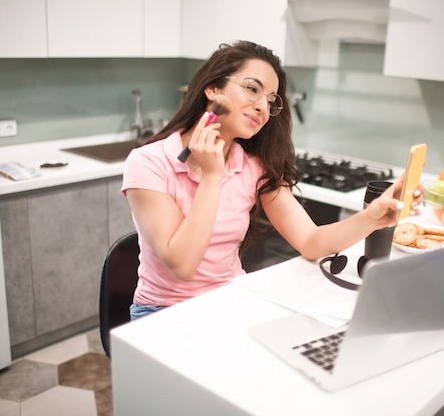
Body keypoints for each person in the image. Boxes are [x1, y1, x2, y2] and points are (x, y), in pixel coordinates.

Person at [122, 40, 422, 320]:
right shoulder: (148, 163)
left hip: (232, 301)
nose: (262, 107)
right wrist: (212, 177)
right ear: (213, 89)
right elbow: (183, 265)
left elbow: (311, 242)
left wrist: (373, 217)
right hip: (162, 314)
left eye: (270, 100)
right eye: (252, 89)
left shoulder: (253, 166)